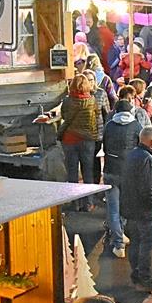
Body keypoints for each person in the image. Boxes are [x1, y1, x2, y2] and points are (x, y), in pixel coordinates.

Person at [119, 127, 152, 294]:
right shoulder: (147, 159)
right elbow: (149, 188)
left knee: (136, 243)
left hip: (130, 209)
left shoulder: (132, 155)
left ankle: (136, 275)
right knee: (147, 244)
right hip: (144, 211)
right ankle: (145, 278)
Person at [102, 99, 142, 258]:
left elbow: (104, 146)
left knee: (113, 207)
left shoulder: (109, 126)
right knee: (125, 205)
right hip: (129, 171)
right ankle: (121, 232)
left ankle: (118, 243)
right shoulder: (136, 126)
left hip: (111, 169)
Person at [58, 74, 99, 210]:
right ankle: (89, 203)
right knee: (88, 172)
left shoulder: (68, 101)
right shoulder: (92, 100)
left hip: (70, 139)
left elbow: (64, 116)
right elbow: (97, 116)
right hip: (87, 140)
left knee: (72, 172)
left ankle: (75, 203)